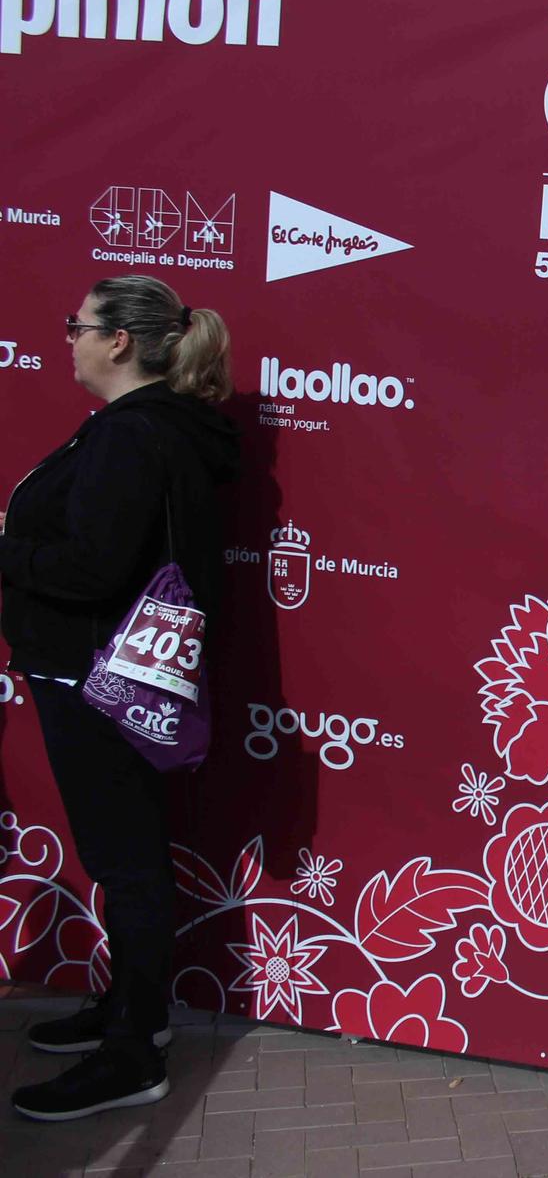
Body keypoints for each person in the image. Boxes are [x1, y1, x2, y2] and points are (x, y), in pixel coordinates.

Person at [0, 275, 240, 1122]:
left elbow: (91, 568)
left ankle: (133, 1050)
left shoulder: (134, 436)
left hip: (94, 675)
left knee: (127, 860)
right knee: (124, 854)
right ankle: (132, 1012)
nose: (66, 336)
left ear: (120, 343)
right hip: (109, 674)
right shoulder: (147, 429)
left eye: (79, 325)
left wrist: (7, 551)